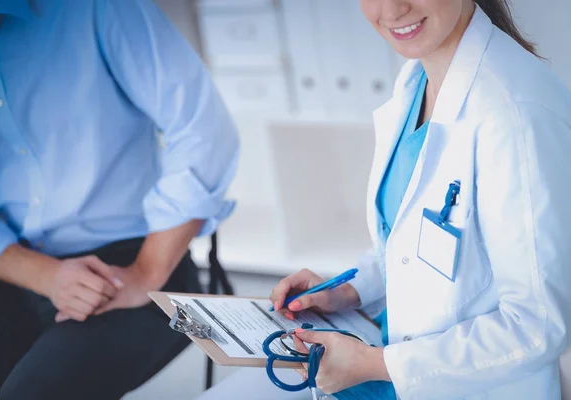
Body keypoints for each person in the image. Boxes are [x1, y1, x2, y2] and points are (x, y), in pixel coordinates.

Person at [197, 0, 571, 398]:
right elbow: (418, 241)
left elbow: (538, 326)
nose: (392, 10)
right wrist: (346, 292)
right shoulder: (417, 82)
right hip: (383, 359)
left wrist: (373, 364)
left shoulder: (515, 114)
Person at [0, 0, 239, 399]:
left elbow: (203, 130)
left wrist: (146, 272)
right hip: (1, 271)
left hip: (133, 267)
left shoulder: (94, 7)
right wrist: (44, 275)